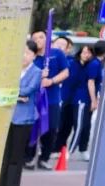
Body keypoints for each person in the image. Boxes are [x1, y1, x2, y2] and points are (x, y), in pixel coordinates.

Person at [0, 41, 41, 186]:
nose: (24, 56)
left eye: (28, 53)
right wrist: (18, 96)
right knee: (4, 153)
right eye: (21, 52)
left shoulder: (36, 72)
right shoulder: (12, 69)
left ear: (34, 56)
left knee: (16, 154)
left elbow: (28, 90)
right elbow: (4, 87)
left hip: (24, 118)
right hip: (7, 116)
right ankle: (0, 185)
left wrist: (14, 93)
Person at [26, 30, 69, 170]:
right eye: (35, 38)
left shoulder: (57, 54)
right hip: (33, 99)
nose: (38, 40)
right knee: (31, 129)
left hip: (52, 99)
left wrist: (51, 81)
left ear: (47, 38)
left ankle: (44, 158)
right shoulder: (30, 56)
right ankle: (28, 158)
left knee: (51, 129)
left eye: (41, 37)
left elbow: (65, 72)